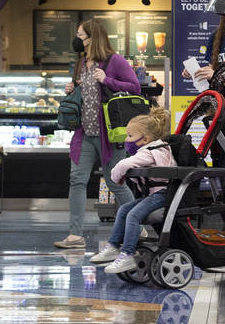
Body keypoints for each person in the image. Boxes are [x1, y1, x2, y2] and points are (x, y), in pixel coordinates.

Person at [55, 18, 140, 250]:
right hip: (85, 132)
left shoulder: (114, 61)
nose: (77, 39)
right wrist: (74, 89)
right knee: (77, 180)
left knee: (116, 183)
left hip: (109, 134)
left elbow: (136, 88)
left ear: (94, 37)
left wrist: (108, 80)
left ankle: (138, 225)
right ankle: (75, 235)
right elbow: (86, 93)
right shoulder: (81, 62)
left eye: (81, 35)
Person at [90, 108, 175, 273]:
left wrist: (115, 177)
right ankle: (113, 245)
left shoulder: (151, 152)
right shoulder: (153, 149)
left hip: (162, 194)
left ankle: (127, 253)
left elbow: (124, 165)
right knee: (123, 209)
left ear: (146, 139)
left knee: (133, 214)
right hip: (156, 194)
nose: (126, 139)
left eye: (130, 136)